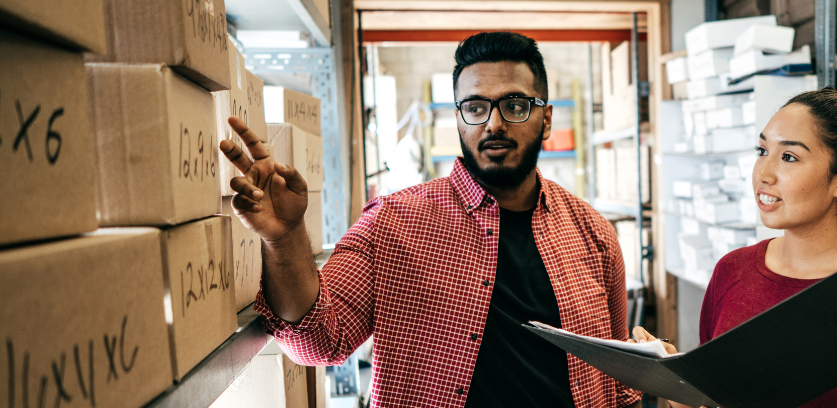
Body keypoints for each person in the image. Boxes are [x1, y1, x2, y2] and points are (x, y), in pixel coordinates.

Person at [219, 31, 642, 408]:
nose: (494, 123)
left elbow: (622, 385)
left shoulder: (594, 234)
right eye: (475, 107)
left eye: (515, 105)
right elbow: (319, 342)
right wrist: (286, 239)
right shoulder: (392, 222)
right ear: (459, 119)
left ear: (545, 119)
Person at [634, 88, 837, 408]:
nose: (764, 173)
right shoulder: (732, 270)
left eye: (789, 157)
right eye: (762, 151)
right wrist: (680, 387)